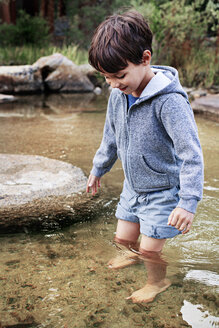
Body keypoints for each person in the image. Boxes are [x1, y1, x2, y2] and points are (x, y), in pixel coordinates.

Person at [86, 11, 204, 303]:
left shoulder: (170, 102)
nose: (113, 83)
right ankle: (131, 256)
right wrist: (98, 169)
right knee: (122, 240)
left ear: (146, 58)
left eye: (120, 75)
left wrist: (187, 203)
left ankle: (157, 283)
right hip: (133, 187)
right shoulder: (118, 95)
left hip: (164, 191)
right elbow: (110, 137)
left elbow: (191, 154)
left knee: (151, 251)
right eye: (106, 77)